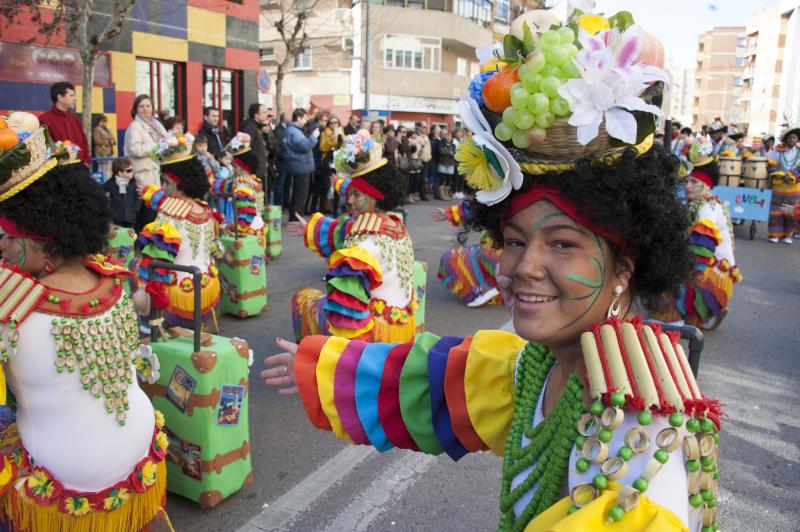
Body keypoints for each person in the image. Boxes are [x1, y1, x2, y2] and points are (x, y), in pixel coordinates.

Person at [263, 10, 723, 532]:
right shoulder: (541, 367)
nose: (524, 267)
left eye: (564, 244)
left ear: (624, 267)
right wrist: (323, 367)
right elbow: (442, 382)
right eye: (514, 240)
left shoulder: (638, 436)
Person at [0, 123, 168, 530]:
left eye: (6, 236)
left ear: (41, 244)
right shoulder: (113, 278)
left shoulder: (11, 303)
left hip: (65, 475)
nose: (1, 246)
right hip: (139, 451)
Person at [287, 130, 415, 342]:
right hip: (402, 330)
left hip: (374, 339)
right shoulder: (395, 225)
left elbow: (347, 320)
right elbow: (345, 228)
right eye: (350, 194)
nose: (350, 201)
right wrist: (310, 228)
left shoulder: (361, 249)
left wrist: (349, 364)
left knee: (303, 300)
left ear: (375, 197)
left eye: (356, 195)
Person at [135, 131, 222, 331]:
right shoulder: (205, 209)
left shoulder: (169, 214)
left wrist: (144, 290)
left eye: (164, 182)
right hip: (207, 286)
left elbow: (155, 263)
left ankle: (150, 328)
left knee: (137, 268)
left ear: (177, 183)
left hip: (179, 295)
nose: (162, 186)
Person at [651, 142, 741, 329]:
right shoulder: (698, 203)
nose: (688, 186)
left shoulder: (707, 208)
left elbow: (701, 251)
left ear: (707, 186)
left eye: (694, 182)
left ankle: (679, 317)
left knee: (670, 278)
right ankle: (705, 312)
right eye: (686, 181)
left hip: (712, 272)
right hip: (709, 266)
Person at [432, 200, 502, 308]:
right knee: (451, 258)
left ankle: (489, 289)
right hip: (494, 252)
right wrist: (450, 213)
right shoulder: (493, 197)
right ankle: (488, 288)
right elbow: (479, 204)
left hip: (511, 257)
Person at [124, 94, 167, 231]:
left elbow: (166, 140)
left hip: (155, 175)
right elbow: (134, 149)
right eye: (141, 106)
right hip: (142, 175)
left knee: (154, 211)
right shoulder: (135, 126)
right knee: (144, 212)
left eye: (148, 106)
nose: (145, 109)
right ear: (135, 109)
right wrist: (156, 148)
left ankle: (150, 242)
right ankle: (141, 243)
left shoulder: (155, 125)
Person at [37, 81, 91, 165]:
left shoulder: (75, 119)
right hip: (58, 171)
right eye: (71, 95)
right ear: (60, 98)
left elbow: (84, 143)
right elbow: (45, 149)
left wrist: (87, 162)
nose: (75, 98)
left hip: (80, 169)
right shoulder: (44, 120)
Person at [282, 109, 320, 222]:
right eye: (304, 118)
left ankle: (294, 218)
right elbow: (305, 145)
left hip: (299, 165)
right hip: (300, 166)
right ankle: (296, 219)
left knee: (298, 193)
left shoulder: (292, 130)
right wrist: (314, 136)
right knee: (300, 194)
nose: (306, 120)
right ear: (298, 118)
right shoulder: (294, 131)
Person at [766, 126, 800, 243]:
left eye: (794, 137)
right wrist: (777, 173)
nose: (792, 139)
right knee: (776, 210)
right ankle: (775, 234)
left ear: (797, 139)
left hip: (794, 186)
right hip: (779, 185)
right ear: (785, 140)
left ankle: (788, 235)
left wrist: (793, 175)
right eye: (789, 137)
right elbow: (771, 165)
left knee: (792, 211)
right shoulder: (777, 151)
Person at [103, 157, 141, 228]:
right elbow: (104, 200)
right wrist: (110, 212)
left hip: (130, 218)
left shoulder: (133, 184)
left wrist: (135, 210)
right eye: (129, 170)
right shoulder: (109, 185)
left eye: (132, 170)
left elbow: (138, 197)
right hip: (115, 220)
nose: (132, 172)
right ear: (120, 173)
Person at [239, 103, 270, 187]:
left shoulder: (255, 127)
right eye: (264, 112)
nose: (267, 114)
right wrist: (256, 163)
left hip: (257, 171)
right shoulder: (250, 128)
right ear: (256, 115)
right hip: (254, 173)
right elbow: (244, 149)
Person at [92, 114, 116, 179]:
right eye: (103, 121)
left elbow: (113, 139)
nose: (105, 122)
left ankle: (107, 182)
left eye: (106, 121)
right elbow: (97, 141)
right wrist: (108, 142)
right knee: (101, 168)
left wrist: (113, 142)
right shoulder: (97, 129)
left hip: (109, 152)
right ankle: (101, 183)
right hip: (101, 152)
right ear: (99, 122)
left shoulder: (108, 129)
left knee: (108, 169)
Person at [436, 130, 456, 201]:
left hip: (450, 164)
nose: (447, 136)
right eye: (446, 135)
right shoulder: (441, 143)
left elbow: (455, 153)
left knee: (448, 180)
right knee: (442, 179)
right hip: (443, 163)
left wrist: (450, 153)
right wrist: (450, 153)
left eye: (449, 135)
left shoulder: (453, 145)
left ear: (451, 137)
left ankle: (446, 193)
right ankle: (442, 195)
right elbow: (441, 151)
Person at [416, 122, 432, 200]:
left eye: (426, 127)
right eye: (424, 127)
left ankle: (422, 194)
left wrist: (430, 156)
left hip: (427, 160)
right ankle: (421, 195)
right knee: (420, 179)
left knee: (424, 178)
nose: (425, 128)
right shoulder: (416, 136)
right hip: (420, 160)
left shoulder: (426, 136)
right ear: (418, 127)